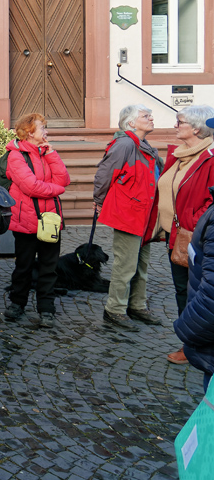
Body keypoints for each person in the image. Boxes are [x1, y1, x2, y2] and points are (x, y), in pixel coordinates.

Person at [94, 104, 163, 331]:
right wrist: (99, 200)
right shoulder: (125, 144)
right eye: (146, 116)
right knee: (125, 265)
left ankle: (137, 305)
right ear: (131, 122)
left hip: (144, 214)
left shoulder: (143, 145)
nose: (151, 118)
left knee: (141, 264)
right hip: (129, 214)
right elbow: (106, 173)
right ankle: (114, 310)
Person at [157, 105, 214, 364]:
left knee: (199, 293)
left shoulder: (210, 157)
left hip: (195, 236)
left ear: (196, 128)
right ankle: (190, 343)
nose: (175, 125)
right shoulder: (180, 154)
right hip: (175, 235)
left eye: (179, 122)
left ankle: (196, 345)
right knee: (183, 290)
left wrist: (194, 222)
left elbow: (209, 200)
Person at [3, 113, 71, 329]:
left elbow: (64, 179)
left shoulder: (46, 152)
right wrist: (56, 190)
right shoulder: (16, 156)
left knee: (49, 267)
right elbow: (31, 187)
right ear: (30, 132)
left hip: (50, 219)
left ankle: (46, 309)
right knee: (23, 266)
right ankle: (17, 303)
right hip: (26, 221)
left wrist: (51, 154)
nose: (46, 132)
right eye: (43, 128)